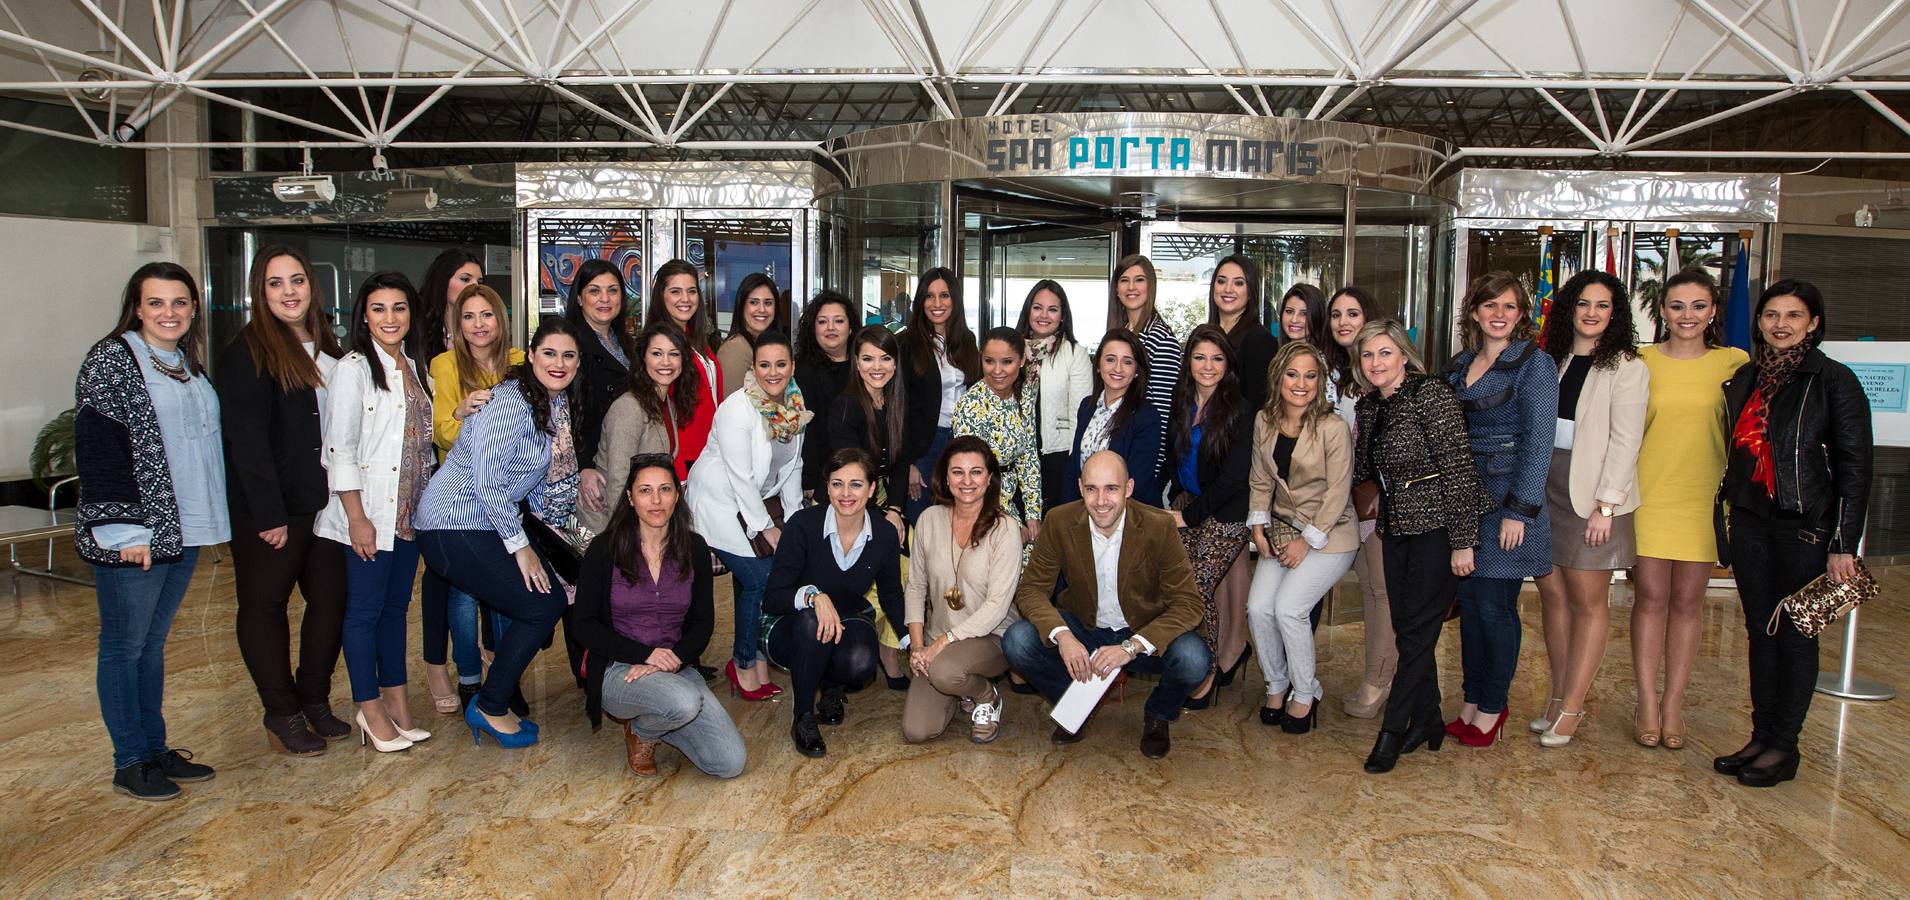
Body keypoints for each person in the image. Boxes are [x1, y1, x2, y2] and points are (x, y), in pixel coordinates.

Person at [78, 262, 228, 800]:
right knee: (124, 644)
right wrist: (123, 529)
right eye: (157, 303)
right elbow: (100, 447)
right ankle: (130, 759)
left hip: (180, 527)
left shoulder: (185, 363)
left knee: (152, 645)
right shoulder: (112, 359)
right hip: (135, 533)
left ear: (193, 310)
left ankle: (154, 748)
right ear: (137, 308)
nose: (170, 313)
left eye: (180, 303)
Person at [1714, 280, 1872, 788]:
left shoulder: (1834, 381)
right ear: (1759, 322)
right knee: (1760, 632)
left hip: (1805, 528)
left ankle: (1785, 746)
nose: (1781, 324)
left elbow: (1855, 466)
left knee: (1796, 635)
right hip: (1751, 523)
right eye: (1772, 315)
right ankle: (1761, 737)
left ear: (1814, 323)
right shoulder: (1745, 378)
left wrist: (1843, 543)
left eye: (1794, 316)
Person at [413, 317, 583, 749]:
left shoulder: (553, 402)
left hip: (487, 524)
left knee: (547, 602)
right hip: (452, 524)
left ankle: (493, 701)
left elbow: (536, 481)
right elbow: (487, 482)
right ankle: (489, 705)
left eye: (568, 355)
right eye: (549, 353)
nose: (559, 363)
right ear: (531, 356)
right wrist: (521, 547)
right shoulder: (509, 401)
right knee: (541, 605)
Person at [217, 244, 349, 757]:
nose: (289, 292)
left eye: (296, 280)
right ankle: (281, 711)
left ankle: (313, 698)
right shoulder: (248, 351)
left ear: (312, 287)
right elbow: (245, 441)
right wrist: (269, 514)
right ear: (260, 291)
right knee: (265, 607)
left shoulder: (326, 346)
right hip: (272, 510)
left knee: (330, 602)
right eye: (275, 283)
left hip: (324, 506)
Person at [1353, 319, 1494, 774]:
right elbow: (1364, 473)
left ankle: (1393, 729)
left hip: (1437, 528)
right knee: (1410, 627)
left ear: (1403, 355)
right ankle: (1429, 719)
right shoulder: (1370, 406)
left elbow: (1458, 469)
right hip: (1395, 528)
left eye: (1384, 353)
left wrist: (1462, 542)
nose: (1375, 363)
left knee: (1417, 632)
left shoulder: (1430, 394)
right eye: (1367, 355)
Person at [1002, 451, 1209, 758]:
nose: (1101, 500)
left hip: (1141, 632)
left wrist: (1132, 646)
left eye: (1111, 488)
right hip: (1086, 629)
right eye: (1091, 489)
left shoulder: (1157, 526)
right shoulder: (1059, 521)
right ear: (1080, 487)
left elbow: (1189, 604)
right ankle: (1079, 703)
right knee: (1017, 641)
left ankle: (1159, 714)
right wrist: (1063, 636)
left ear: (1128, 488)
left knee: (1194, 659)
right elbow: (1031, 590)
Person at [315, 272, 435, 752]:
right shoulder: (354, 369)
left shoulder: (412, 364)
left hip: (407, 516)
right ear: (363, 315)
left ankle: (398, 705)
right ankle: (369, 709)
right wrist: (357, 516)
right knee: (364, 613)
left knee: (394, 611)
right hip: (369, 516)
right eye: (379, 308)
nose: (390, 318)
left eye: (399, 308)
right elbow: (338, 450)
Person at [570, 455, 746, 779]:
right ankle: (645, 731)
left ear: (677, 495)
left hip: (674, 665)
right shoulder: (604, 549)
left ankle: (653, 723)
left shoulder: (694, 548)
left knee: (730, 762)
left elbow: (703, 622)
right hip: (619, 669)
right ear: (629, 498)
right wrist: (645, 655)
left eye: (665, 489)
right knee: (683, 703)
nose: (655, 500)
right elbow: (583, 624)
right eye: (645, 491)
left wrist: (675, 658)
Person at [1529, 271, 1649, 747]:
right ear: (1568, 310)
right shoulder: (1549, 359)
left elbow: (1626, 440)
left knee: (1587, 601)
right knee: (1553, 598)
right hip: (1547, 487)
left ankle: (1575, 706)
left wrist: (1607, 505)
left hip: (1593, 495)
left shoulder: (1627, 366)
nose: (1592, 313)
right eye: (1583, 304)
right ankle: (1558, 697)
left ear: (1615, 313)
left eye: (1602, 305)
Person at [1632, 268, 1749, 750]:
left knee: (1687, 603)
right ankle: (1644, 701)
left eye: (1698, 305)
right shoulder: (1639, 360)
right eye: (1677, 306)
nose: (1687, 315)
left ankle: (1673, 703)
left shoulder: (1734, 362)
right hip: (1649, 495)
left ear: (1713, 312)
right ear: (1662, 310)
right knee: (1650, 599)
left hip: (1703, 498)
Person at [1441, 272, 1557, 749]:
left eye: (1509, 307)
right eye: (1490, 306)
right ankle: (1471, 701)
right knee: (1468, 608)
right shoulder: (1458, 365)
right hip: (1466, 500)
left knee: (1495, 608)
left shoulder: (1535, 364)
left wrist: (1520, 510)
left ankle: (1493, 707)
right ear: (1474, 312)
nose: (1498, 314)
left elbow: (1539, 442)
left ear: (1521, 315)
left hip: (1509, 499)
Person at [685, 331, 808, 701]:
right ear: (753, 367)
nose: (773, 373)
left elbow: (793, 466)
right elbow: (740, 477)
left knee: (750, 582)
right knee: (759, 578)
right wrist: (767, 528)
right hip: (719, 503)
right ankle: (741, 663)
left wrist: (795, 519)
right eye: (765, 365)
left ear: (792, 367)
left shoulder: (794, 406)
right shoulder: (736, 409)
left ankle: (754, 658)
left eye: (781, 364)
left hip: (755, 501)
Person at [762, 448, 906, 757]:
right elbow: (773, 597)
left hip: (846, 621)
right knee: (813, 622)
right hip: (792, 624)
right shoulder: (803, 525)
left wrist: (913, 641)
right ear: (827, 487)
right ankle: (802, 715)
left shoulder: (883, 534)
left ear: (871, 489)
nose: (845, 493)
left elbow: (892, 594)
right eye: (837, 483)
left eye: (856, 484)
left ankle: (831, 687)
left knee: (859, 664)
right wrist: (814, 596)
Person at [1246, 341, 1357, 733]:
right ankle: (1277, 683)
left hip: (1332, 535)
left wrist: (1306, 540)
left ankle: (1306, 693)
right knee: (1259, 609)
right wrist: (1258, 528)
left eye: (1311, 376)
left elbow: (1338, 492)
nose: (1301, 383)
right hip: (1279, 530)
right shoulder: (1264, 420)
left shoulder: (1333, 427)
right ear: (1279, 377)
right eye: (1293, 374)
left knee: (1289, 609)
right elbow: (1260, 479)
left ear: (1320, 381)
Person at [423, 283, 524, 713]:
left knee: (505, 592)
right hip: (461, 496)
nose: (479, 325)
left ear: (501, 319)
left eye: (487, 315)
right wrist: (462, 414)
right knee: (463, 594)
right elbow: (440, 432)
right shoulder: (445, 365)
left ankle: (504, 676)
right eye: (469, 317)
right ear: (457, 324)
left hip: (509, 492)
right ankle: (468, 676)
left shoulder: (520, 361)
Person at [901, 437, 1023, 744]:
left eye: (976, 472)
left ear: (990, 478)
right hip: (938, 641)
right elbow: (915, 586)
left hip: (991, 636)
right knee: (917, 731)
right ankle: (962, 688)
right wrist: (917, 647)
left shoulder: (1006, 529)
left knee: (944, 670)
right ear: (944, 477)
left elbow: (996, 606)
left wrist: (940, 645)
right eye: (957, 472)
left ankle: (986, 695)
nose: (967, 481)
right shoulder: (928, 519)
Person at [1164, 324, 1257, 706]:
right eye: (1200, 357)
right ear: (1189, 362)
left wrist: (1189, 517)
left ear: (1228, 365)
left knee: (1197, 585)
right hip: (1189, 502)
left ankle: (1208, 670)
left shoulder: (1240, 410)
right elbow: (1174, 459)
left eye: (1217, 358)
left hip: (1226, 512)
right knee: (1172, 583)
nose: (1208, 366)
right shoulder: (1180, 400)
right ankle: (1181, 660)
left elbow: (1235, 479)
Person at [1323, 286, 1394, 718]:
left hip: (1383, 502)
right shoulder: (1343, 374)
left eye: (1352, 313)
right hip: (1354, 499)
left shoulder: (1381, 373)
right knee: (1369, 588)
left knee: (1382, 591)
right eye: (1336, 315)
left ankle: (1378, 681)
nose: (1343, 322)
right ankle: (1378, 676)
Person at [581, 321, 701, 534]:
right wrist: (631, 540)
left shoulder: (667, 404)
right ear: (643, 358)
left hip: (644, 518)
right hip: (609, 525)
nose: (666, 362)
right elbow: (619, 482)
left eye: (674, 354)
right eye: (657, 353)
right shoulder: (629, 407)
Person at [899, 267, 980, 522]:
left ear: (954, 300)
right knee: (921, 521)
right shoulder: (906, 343)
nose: (937, 303)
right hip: (924, 445)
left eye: (944, 296)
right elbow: (898, 407)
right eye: (929, 296)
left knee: (956, 520)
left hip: (961, 442)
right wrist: (907, 463)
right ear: (920, 301)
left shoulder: (967, 340)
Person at [952, 327, 1043, 545]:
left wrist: (1033, 513)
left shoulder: (1025, 395)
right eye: (989, 361)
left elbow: (1028, 456)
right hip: (979, 504)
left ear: (1022, 361)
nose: (997, 370)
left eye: (1007, 362)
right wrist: (1008, 523)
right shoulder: (971, 404)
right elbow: (969, 478)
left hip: (1013, 499)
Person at [567, 258, 639, 523]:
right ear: (579, 298)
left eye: (612, 290)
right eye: (594, 291)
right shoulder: (572, 343)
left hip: (622, 457)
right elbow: (567, 413)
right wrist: (583, 466)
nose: (605, 299)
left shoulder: (624, 343)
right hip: (595, 466)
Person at [1018, 280, 1093, 516]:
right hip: (1018, 455)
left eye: (1053, 309)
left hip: (1057, 456)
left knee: (1053, 527)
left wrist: (1074, 464)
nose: (1044, 315)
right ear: (1028, 310)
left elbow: (1081, 414)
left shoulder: (1074, 353)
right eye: (1038, 307)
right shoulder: (1013, 350)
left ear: (1062, 316)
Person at [1063, 328, 1163, 506]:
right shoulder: (1087, 407)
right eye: (1110, 359)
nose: (1118, 368)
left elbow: (1137, 482)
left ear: (1137, 370)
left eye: (1127, 362)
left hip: (1130, 514)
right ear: (1099, 365)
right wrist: (1069, 514)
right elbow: (1074, 468)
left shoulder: (1147, 416)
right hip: (1085, 510)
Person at [827, 326, 910, 538]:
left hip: (880, 498)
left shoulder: (895, 404)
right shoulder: (846, 406)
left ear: (895, 363)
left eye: (885, 358)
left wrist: (894, 510)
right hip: (846, 500)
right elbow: (850, 475)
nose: (877, 367)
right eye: (867, 359)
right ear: (856, 362)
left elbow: (901, 462)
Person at [648, 259, 725, 468]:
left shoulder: (696, 339)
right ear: (661, 296)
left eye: (691, 291)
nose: (685, 299)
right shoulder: (661, 346)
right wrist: (678, 469)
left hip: (711, 453)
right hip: (685, 459)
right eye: (675, 291)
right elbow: (660, 415)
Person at [793, 290, 856, 496]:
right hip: (820, 478)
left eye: (838, 321)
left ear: (850, 326)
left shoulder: (865, 365)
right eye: (822, 322)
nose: (830, 328)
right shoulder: (802, 370)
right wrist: (810, 479)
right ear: (813, 328)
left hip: (860, 474)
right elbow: (805, 430)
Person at [1109, 254, 1180, 417]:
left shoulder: (1163, 340)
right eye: (1124, 280)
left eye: (1139, 280)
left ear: (1151, 286)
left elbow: (1162, 412)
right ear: (1117, 290)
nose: (1131, 287)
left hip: (1143, 440)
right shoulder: (1121, 333)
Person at [1208, 254, 1280, 409]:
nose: (1228, 289)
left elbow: (1258, 406)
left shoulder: (1260, 341)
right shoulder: (1207, 336)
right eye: (1221, 281)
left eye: (1238, 283)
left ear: (1250, 292)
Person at [715, 272, 789, 400]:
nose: (762, 309)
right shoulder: (734, 349)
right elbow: (733, 408)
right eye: (754, 302)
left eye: (768, 303)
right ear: (742, 306)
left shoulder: (770, 346)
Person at [416, 248, 483, 362]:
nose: (475, 286)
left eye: (480, 282)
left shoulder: (483, 330)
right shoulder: (417, 330)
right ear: (442, 281)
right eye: (465, 279)